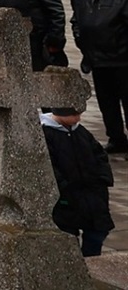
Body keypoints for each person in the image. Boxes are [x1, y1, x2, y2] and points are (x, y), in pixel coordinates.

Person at [72, 0, 128, 152]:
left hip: (121, 61)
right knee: (106, 103)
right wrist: (80, 41)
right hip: (96, 60)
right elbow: (76, 21)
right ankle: (116, 139)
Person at [44, 106, 114, 257]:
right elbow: (47, 165)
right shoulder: (47, 134)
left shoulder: (81, 132)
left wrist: (103, 179)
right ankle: (73, 265)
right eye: (75, 115)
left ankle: (91, 262)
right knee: (67, 235)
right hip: (67, 197)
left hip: (93, 194)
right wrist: (63, 187)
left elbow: (100, 156)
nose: (78, 119)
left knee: (98, 231)